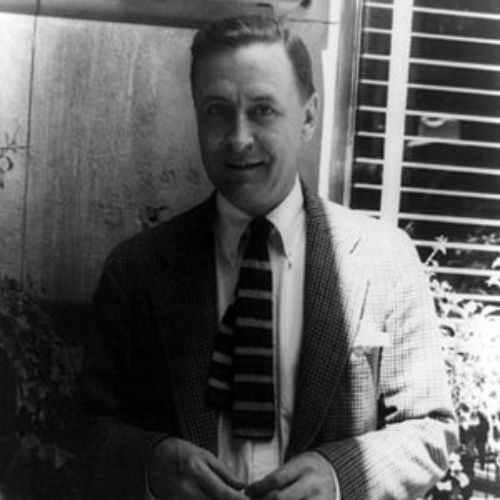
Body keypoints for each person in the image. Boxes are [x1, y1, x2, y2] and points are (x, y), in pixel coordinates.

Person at [81, 14, 458, 500]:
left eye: (262, 110)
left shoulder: (384, 260)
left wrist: (339, 477)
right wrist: (151, 463)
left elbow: (431, 429)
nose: (239, 139)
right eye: (217, 110)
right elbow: (87, 429)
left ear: (308, 117)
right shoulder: (137, 270)